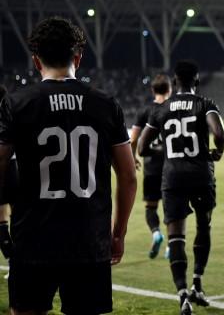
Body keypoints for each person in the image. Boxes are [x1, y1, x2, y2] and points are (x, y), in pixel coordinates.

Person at [0, 16, 137, 315]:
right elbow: (128, 177)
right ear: (78, 57)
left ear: (36, 60)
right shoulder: (106, 104)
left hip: (33, 238)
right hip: (89, 238)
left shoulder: (17, 103)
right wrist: (118, 233)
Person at [138, 60, 224, 315]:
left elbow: (142, 147)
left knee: (176, 236)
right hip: (200, 174)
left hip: (173, 177)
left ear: (175, 82)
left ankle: (182, 295)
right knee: (203, 226)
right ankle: (197, 283)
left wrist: (167, 149)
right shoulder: (204, 104)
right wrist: (217, 152)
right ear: (197, 81)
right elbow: (219, 135)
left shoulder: (161, 109)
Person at [130, 74, 172, 259]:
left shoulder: (144, 110)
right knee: (171, 207)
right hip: (172, 166)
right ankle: (171, 245)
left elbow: (133, 140)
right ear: (169, 89)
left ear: (153, 90)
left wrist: (133, 158)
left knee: (151, 207)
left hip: (151, 167)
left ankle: (156, 234)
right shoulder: (173, 109)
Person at [0, 85, 17, 262]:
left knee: (1, 216)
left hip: (6, 163)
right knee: (17, 212)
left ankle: (11, 257)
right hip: (13, 165)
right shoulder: (10, 113)